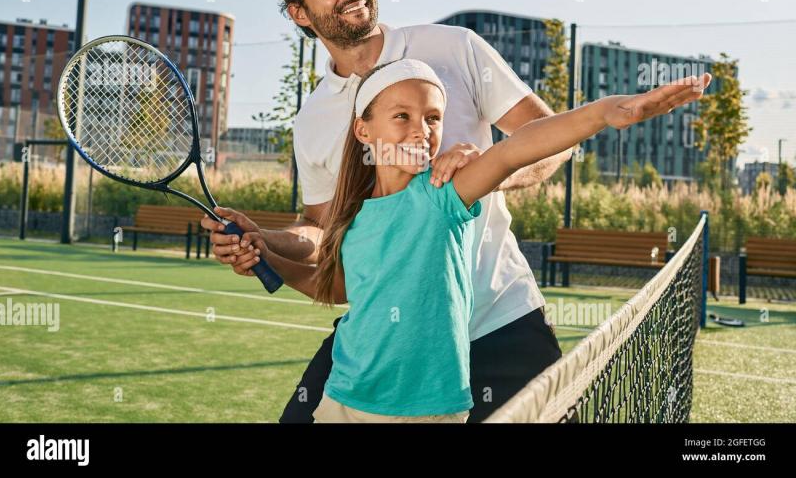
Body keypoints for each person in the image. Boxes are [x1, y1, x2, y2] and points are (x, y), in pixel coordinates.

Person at [203, 0, 574, 423]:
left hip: (499, 318)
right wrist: (263, 239)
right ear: (300, 13)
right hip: (383, 337)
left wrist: (480, 178)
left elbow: (553, 138)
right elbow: (324, 235)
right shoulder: (313, 118)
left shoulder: (454, 46)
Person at [245, 58, 711, 422]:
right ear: (363, 129)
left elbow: (515, 150)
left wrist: (606, 112)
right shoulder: (351, 216)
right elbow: (338, 290)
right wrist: (267, 255)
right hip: (342, 400)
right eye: (402, 115)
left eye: (433, 118)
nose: (421, 130)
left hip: (432, 410)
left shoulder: (444, 196)